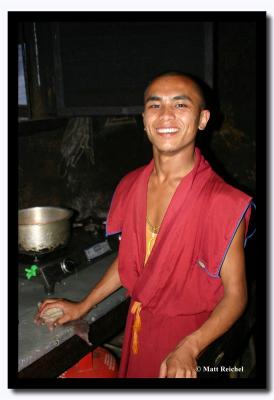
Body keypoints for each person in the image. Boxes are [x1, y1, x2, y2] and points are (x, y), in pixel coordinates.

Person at [35, 71, 254, 378]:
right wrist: (82, 306)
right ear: (144, 117)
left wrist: (191, 347)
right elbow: (131, 261)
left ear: (203, 119)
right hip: (140, 329)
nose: (166, 115)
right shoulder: (131, 184)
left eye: (180, 105)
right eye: (155, 105)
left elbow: (236, 295)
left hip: (190, 338)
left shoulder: (223, 201)